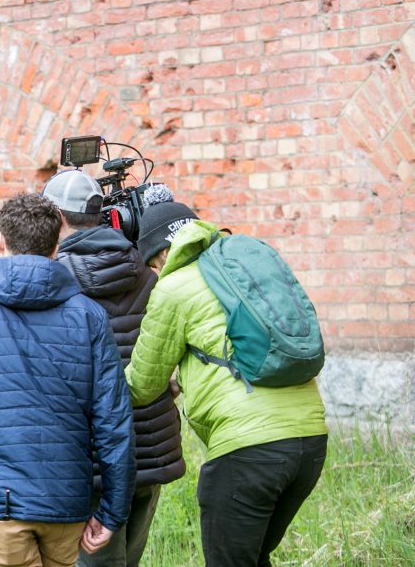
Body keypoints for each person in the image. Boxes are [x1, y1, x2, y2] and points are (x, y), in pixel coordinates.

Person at [0, 192, 135, 567]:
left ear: (0, 241)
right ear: (57, 246)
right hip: (66, 504)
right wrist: (112, 512)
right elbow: (114, 424)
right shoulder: (89, 316)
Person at [125, 195, 328, 567]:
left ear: (161, 256)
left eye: (152, 265)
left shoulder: (174, 287)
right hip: (311, 441)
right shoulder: (241, 268)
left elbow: (141, 386)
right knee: (251, 557)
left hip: (249, 451)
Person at [42, 170, 185, 567]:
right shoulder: (147, 271)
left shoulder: (54, 282)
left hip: (93, 460)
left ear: (55, 216)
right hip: (151, 447)